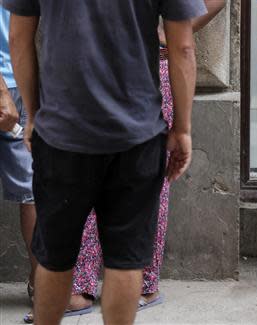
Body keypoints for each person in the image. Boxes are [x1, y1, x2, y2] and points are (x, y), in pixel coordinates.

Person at [21, 2, 226, 322]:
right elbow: (183, 47)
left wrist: (33, 114)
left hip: (62, 129)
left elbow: (19, 36)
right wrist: (182, 128)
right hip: (136, 132)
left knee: (54, 256)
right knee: (125, 260)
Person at [0, 4, 37, 307]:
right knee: (32, 191)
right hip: (15, 81)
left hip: (20, 82)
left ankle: (41, 281)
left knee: (33, 192)